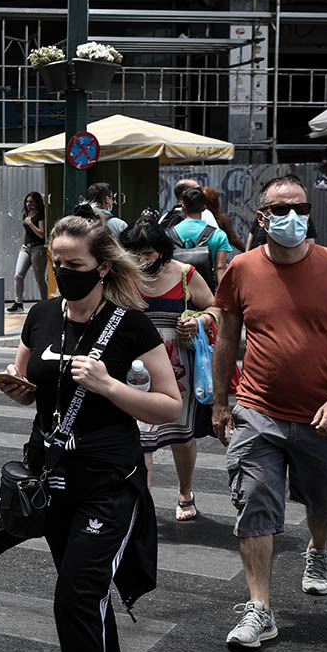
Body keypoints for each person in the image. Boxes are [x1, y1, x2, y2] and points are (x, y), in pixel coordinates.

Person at [0, 214, 181, 652]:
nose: (63, 271)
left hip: (109, 481)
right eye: (57, 262)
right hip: (53, 480)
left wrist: (110, 386)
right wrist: (19, 388)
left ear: (102, 267)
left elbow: (169, 404)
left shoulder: (130, 324)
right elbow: (32, 386)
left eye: (74, 263)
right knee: (86, 597)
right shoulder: (39, 316)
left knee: (76, 595)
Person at [211, 175, 327, 650]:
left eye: (299, 208)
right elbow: (226, 338)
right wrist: (221, 402)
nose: (293, 217)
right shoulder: (240, 268)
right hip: (258, 411)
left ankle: (318, 550)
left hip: (322, 414)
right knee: (255, 503)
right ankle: (260, 608)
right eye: (281, 210)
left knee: (324, 502)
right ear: (262, 217)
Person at [120, 220, 220, 522]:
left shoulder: (185, 274)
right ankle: (143, 505)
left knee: (181, 435)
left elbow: (215, 308)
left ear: (162, 250)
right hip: (136, 367)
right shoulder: (123, 275)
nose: (141, 261)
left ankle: (185, 492)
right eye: (134, 254)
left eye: (147, 253)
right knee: (141, 438)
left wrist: (200, 321)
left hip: (179, 367)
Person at [172, 187, 233, 285]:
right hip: (208, 291)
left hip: (178, 292)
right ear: (204, 208)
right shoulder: (219, 235)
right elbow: (220, 268)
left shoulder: (169, 234)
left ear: (183, 207)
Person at [9, 191, 47, 313]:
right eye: (27, 201)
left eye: (32, 202)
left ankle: (44, 303)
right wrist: (24, 239)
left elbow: (41, 234)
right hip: (26, 248)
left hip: (38, 248)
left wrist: (30, 224)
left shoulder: (40, 215)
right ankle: (18, 302)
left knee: (39, 278)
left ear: (37, 203)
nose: (29, 204)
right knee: (18, 275)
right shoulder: (26, 214)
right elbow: (26, 229)